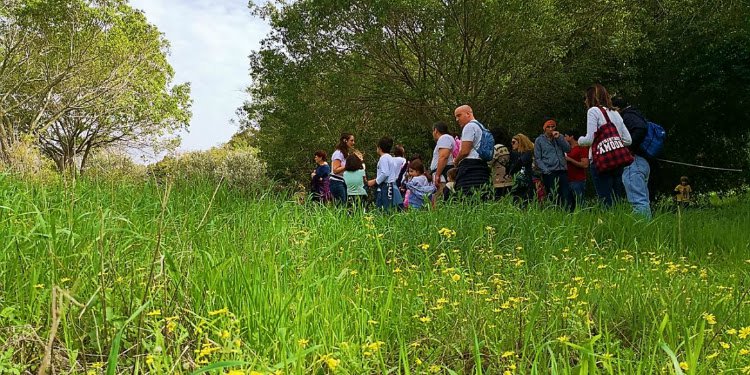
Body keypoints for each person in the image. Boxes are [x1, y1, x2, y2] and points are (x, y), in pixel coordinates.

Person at [578, 84, 632, 208]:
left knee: (605, 200)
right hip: (617, 161)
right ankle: (619, 224)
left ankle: (607, 224)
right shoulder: (615, 113)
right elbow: (628, 140)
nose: (585, 101)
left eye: (586, 98)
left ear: (591, 98)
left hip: (601, 161)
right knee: (616, 199)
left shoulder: (593, 111)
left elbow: (589, 139)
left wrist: (580, 140)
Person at [613, 97, 652, 218]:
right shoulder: (636, 114)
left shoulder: (628, 116)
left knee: (638, 201)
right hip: (642, 162)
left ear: (617, 108)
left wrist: (628, 149)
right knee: (643, 200)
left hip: (633, 162)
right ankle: (648, 228)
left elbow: (641, 128)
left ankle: (641, 231)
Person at [453, 105, 491, 197]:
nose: (457, 120)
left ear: (468, 114)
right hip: (481, 166)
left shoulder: (469, 126)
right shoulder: (481, 127)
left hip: (470, 168)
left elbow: (465, 151)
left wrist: (456, 161)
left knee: (467, 197)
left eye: (459, 115)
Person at [534, 119, 572, 210]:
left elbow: (568, 149)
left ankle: (568, 212)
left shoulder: (560, 137)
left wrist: (559, 138)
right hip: (550, 172)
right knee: (554, 195)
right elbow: (538, 158)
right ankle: (556, 212)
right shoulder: (539, 140)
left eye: (553, 126)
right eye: (548, 127)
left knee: (566, 194)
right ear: (544, 129)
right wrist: (546, 170)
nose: (551, 129)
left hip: (562, 170)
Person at [367, 137, 403, 211]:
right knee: (390, 206)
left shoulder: (383, 158)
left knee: (384, 207)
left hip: (386, 186)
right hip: (392, 184)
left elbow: (385, 173)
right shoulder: (390, 157)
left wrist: (375, 181)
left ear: (379, 148)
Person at [507, 134, 535, 205]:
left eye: (514, 142)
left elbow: (519, 163)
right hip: (515, 181)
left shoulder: (527, 153)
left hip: (525, 181)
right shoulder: (513, 154)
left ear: (520, 142)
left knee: (526, 202)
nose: (512, 144)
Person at [430, 121, 455, 201]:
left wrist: (437, 175)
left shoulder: (444, 138)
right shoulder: (447, 138)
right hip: (441, 174)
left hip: (442, 175)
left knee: (439, 199)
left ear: (436, 130)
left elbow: (443, 157)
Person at [564, 131, 589, 209]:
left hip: (578, 180)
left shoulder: (581, 148)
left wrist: (570, 159)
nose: (564, 138)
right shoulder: (566, 149)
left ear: (571, 137)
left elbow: (585, 164)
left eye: (566, 136)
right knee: (569, 205)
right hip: (567, 179)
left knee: (580, 203)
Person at [330, 133, 356, 206]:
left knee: (344, 204)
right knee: (341, 205)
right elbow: (335, 170)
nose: (353, 143)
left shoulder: (345, 153)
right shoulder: (338, 153)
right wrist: (348, 166)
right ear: (345, 141)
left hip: (343, 181)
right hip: (336, 182)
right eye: (351, 140)